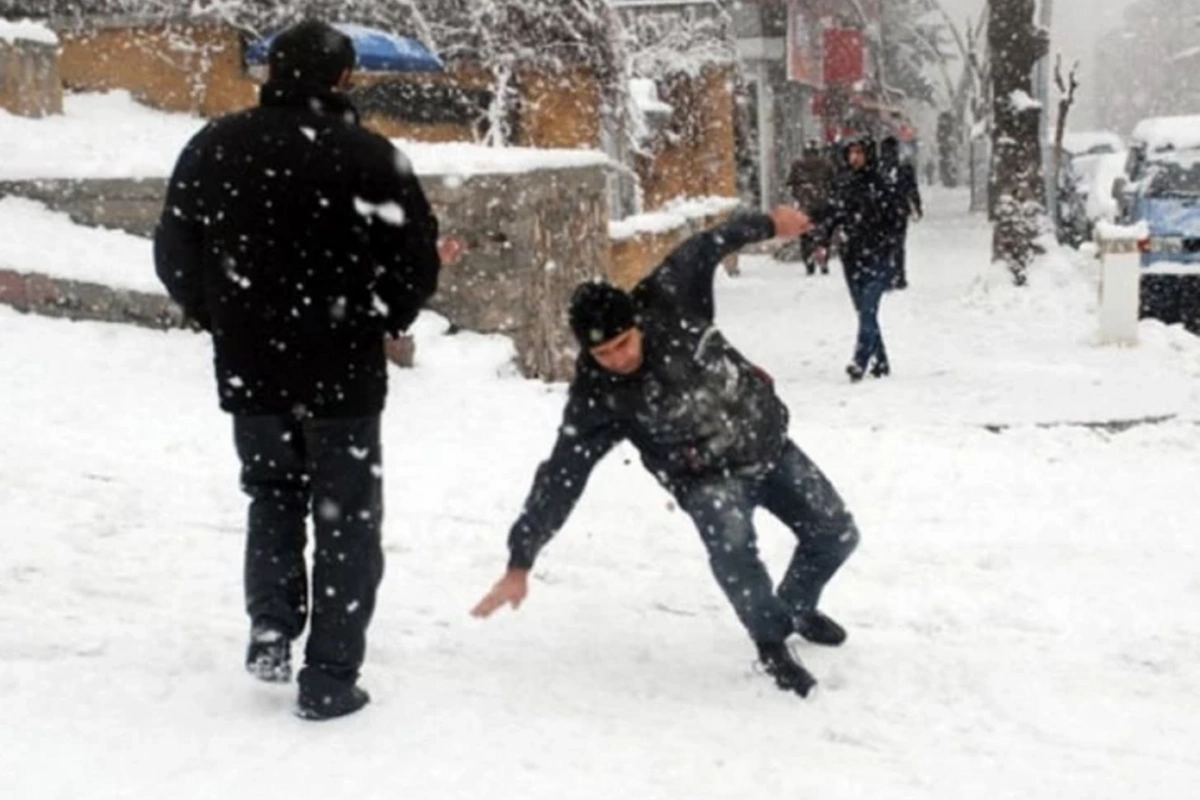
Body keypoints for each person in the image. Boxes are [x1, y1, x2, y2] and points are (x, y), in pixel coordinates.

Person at [154, 20, 453, 720]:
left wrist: (216, 313)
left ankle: (271, 628)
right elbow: (418, 260)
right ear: (344, 78)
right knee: (346, 515)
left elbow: (175, 249)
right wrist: (386, 316)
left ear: (271, 72)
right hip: (342, 367)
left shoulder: (213, 148)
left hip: (251, 364)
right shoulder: (372, 158)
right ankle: (329, 675)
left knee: (272, 494)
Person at [471, 207, 861, 698]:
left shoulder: (671, 294)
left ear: (636, 322)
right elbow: (561, 476)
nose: (618, 359)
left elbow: (711, 242)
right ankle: (771, 641)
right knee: (734, 552)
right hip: (704, 479)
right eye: (603, 354)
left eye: (622, 343)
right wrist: (521, 558)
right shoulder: (599, 398)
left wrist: (770, 225)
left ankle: (798, 606)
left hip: (767, 444)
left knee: (836, 534)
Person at [811, 136, 901, 382]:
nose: (854, 158)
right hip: (852, 256)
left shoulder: (882, 185)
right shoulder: (845, 185)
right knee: (864, 311)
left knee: (869, 308)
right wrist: (822, 242)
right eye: (851, 153)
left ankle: (859, 361)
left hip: (878, 256)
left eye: (859, 153)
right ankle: (880, 361)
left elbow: (895, 222)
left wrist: (893, 256)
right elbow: (833, 215)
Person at [784, 140, 836, 275]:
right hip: (823, 205)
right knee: (824, 234)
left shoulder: (797, 165)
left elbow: (790, 183)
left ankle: (809, 262)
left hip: (805, 206)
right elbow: (834, 183)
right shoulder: (826, 164)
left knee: (806, 235)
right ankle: (823, 257)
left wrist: (798, 195)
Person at [878, 136, 923, 290]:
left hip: (881, 212)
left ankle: (887, 276)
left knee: (884, 245)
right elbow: (912, 190)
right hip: (899, 211)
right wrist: (917, 206)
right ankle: (899, 275)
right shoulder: (905, 169)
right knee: (898, 244)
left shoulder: (877, 170)